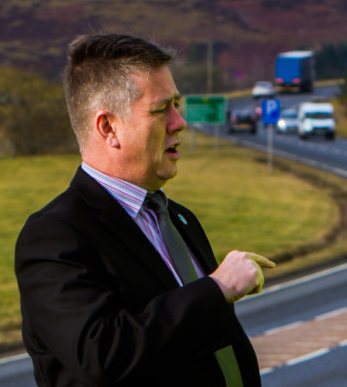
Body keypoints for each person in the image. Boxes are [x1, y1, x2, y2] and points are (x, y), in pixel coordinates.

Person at [15, 33, 275, 387]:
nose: (179, 122)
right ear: (108, 128)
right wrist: (217, 289)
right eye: (160, 109)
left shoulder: (179, 218)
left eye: (177, 105)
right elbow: (102, 354)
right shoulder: (54, 236)